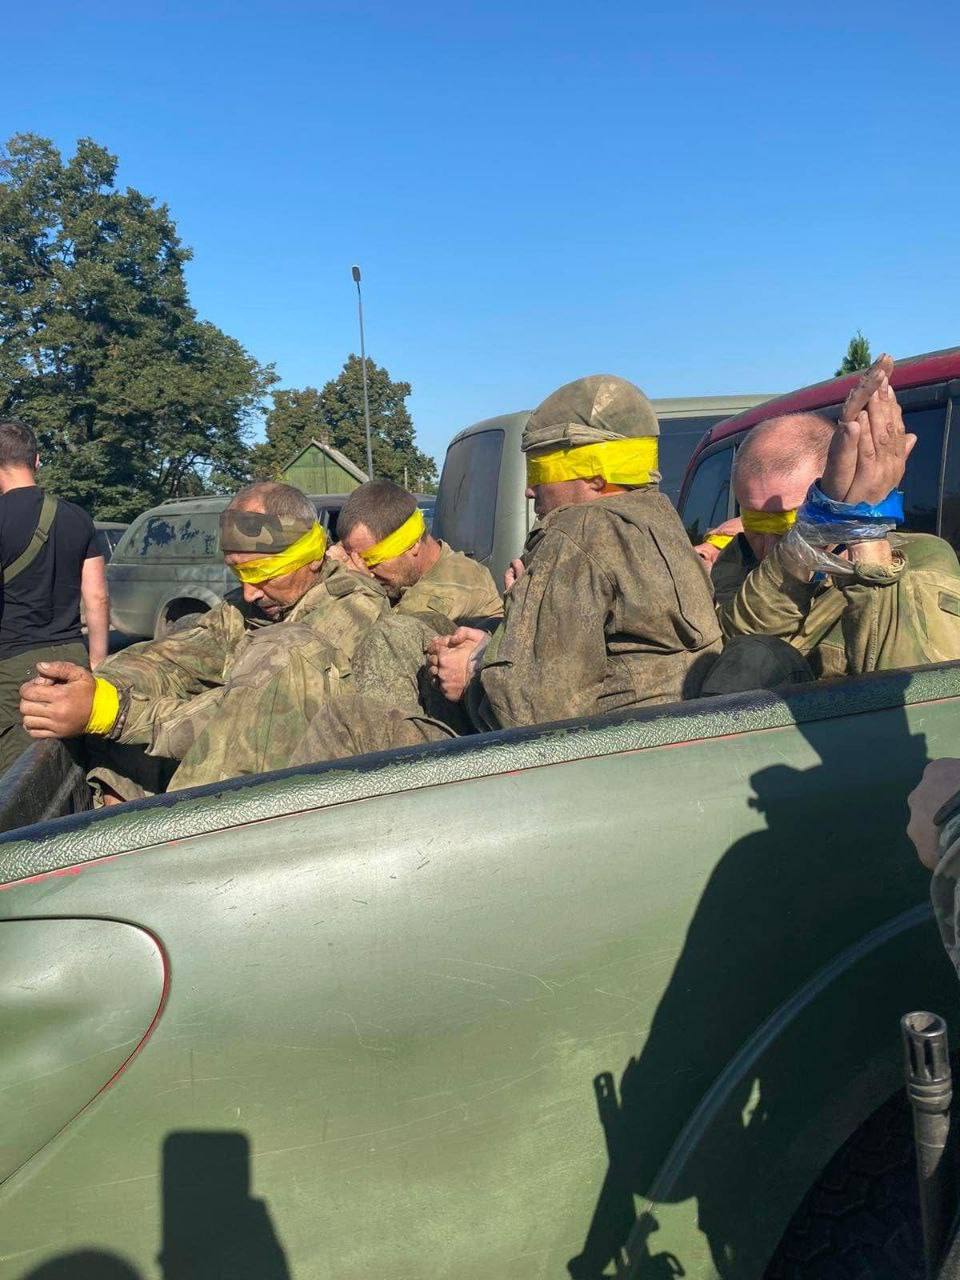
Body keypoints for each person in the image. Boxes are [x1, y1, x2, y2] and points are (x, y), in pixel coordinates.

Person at [19, 481, 390, 798]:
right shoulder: (250, 608)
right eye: (239, 573)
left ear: (311, 558)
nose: (249, 592)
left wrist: (110, 712)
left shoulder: (351, 608)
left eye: (263, 572)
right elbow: (175, 658)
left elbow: (236, 713)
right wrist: (95, 687)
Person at [428, 374, 722, 727]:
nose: (530, 490)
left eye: (541, 469)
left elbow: (530, 715)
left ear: (596, 475)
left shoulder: (577, 532)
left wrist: (470, 676)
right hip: (667, 734)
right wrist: (492, 648)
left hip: (610, 749)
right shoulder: (660, 520)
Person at [710, 356, 960, 677]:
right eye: (756, 523)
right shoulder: (736, 562)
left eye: (789, 522)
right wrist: (807, 541)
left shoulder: (923, 558)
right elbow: (733, 654)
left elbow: (920, 689)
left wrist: (864, 534)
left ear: (839, 488)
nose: (770, 545)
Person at [0, 420, 108, 774]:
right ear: (37, 460)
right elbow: (97, 597)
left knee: (21, 781)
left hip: (14, 669)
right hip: (73, 658)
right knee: (74, 767)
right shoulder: (78, 517)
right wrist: (97, 661)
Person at [332, 479, 503, 625]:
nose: (367, 572)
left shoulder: (450, 590)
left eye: (372, 561)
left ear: (412, 543)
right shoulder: (409, 576)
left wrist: (364, 589)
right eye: (353, 559)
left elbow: (390, 639)